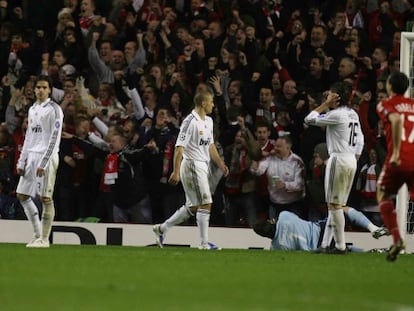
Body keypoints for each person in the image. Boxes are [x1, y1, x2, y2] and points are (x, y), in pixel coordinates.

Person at [153, 90, 229, 249]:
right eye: (211, 102)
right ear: (203, 103)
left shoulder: (208, 121)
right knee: (206, 201)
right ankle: (203, 244)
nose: (213, 105)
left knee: (194, 206)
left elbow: (210, 145)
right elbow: (179, 147)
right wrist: (175, 170)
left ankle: (162, 228)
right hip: (192, 165)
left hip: (202, 165)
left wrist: (220, 163)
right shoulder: (189, 122)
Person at [304, 82, 364, 254]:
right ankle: (324, 244)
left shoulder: (337, 115)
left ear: (336, 98)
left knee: (334, 205)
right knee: (336, 205)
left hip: (338, 159)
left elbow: (308, 119)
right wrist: (354, 158)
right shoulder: (352, 113)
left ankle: (340, 246)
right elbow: (361, 139)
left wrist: (325, 105)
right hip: (351, 159)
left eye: (330, 95)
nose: (327, 97)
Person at [16, 75, 64, 248]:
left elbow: (54, 138)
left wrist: (44, 162)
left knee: (45, 197)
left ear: (50, 89)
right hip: (32, 156)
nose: (41, 90)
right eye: (38, 87)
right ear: (34, 89)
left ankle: (44, 238)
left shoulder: (55, 109)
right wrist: (22, 161)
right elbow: (29, 136)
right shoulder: (32, 109)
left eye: (44, 87)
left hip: (47, 156)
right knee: (22, 195)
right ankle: (37, 235)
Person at [376, 72, 414, 261]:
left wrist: (397, 153)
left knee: (383, 194)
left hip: (398, 160)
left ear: (389, 86)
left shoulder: (385, 104)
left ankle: (397, 239)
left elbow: (397, 120)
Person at [253, 207, 388, 251]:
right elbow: (296, 218)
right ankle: (373, 228)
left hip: (318, 248)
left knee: (344, 250)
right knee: (342, 209)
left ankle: (369, 253)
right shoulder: (283, 216)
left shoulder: (276, 247)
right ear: (270, 221)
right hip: (322, 230)